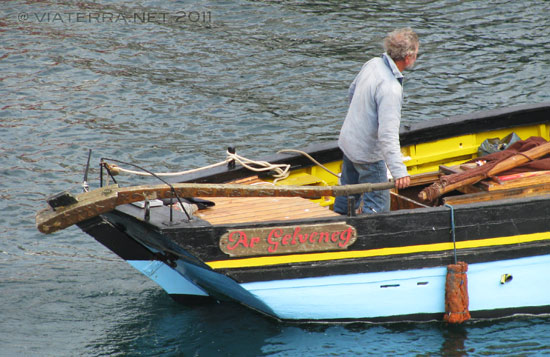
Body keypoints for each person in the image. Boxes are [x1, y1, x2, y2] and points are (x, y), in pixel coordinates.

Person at [333, 28, 419, 215]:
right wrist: (399, 172)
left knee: (347, 194)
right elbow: (387, 135)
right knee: (377, 208)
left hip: (350, 143)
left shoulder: (372, 64)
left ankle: (336, 224)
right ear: (409, 57)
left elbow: (351, 92)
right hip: (368, 155)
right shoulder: (391, 88)